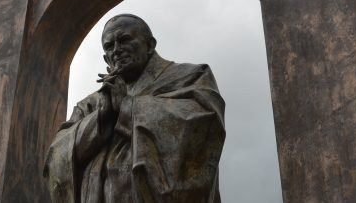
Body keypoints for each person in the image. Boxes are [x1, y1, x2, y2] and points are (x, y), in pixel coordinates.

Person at [44, 14, 225, 202]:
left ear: (150, 45)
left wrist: (127, 106)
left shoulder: (190, 77)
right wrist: (101, 118)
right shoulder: (91, 104)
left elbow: (202, 126)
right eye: (109, 46)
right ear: (106, 58)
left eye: (124, 40)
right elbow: (57, 155)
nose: (116, 50)